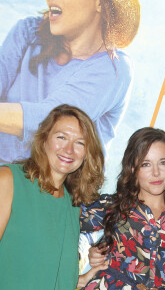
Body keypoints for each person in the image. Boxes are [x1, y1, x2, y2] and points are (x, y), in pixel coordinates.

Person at [0, 0, 140, 164]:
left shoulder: (114, 68)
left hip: (52, 188)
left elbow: (51, 121)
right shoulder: (27, 32)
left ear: (100, 2)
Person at [0, 104, 107, 290]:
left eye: (80, 143)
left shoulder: (72, 205)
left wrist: (76, 280)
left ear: (87, 155)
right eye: (61, 137)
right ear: (43, 140)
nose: (69, 149)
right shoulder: (8, 180)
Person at [78, 127, 165, 290]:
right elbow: (60, 221)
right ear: (132, 168)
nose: (156, 172)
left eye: (163, 163)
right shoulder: (114, 205)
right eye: (146, 164)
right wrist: (72, 277)